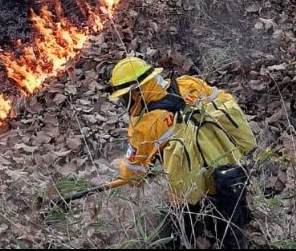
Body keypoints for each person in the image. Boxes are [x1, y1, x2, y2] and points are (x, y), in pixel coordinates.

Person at [108, 56, 257, 248]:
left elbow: (135, 176)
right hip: (231, 169)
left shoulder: (146, 126)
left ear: (136, 92)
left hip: (193, 191)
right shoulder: (189, 83)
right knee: (233, 225)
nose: (124, 101)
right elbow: (226, 101)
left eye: (124, 96)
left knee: (176, 234)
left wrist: (130, 165)